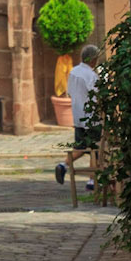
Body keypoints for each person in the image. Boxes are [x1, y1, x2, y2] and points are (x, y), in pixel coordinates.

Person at [55, 42, 100, 190]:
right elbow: (96, 95)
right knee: (95, 150)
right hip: (91, 117)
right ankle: (92, 181)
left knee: (81, 147)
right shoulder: (91, 75)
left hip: (78, 116)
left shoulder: (73, 72)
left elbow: (70, 92)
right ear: (92, 59)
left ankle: (63, 165)